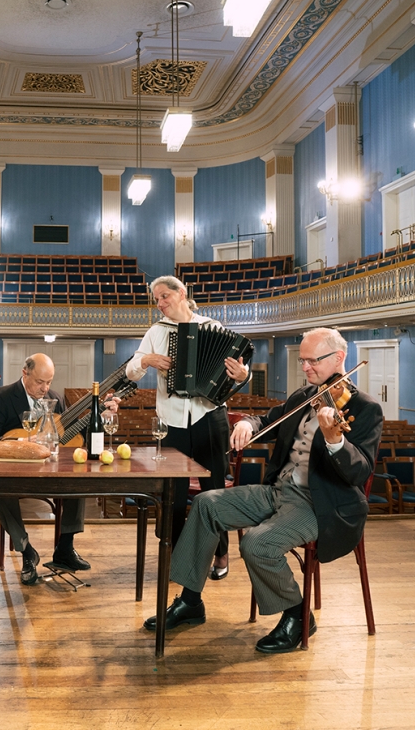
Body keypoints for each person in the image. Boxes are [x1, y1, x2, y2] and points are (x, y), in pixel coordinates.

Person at [144, 327, 383, 654]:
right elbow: (265, 420)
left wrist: (334, 440)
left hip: (321, 504)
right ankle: (190, 601)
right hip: (279, 490)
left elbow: (360, 470)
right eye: (303, 361)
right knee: (206, 503)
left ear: (339, 358)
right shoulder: (303, 396)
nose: (306, 368)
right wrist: (246, 424)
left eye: (313, 361)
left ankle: (297, 616)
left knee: (257, 542)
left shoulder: (366, 408)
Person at [125, 275, 249, 580]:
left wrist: (242, 374)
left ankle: (221, 553)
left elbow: (233, 375)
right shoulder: (156, 331)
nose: (160, 304)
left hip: (210, 419)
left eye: (164, 296)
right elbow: (131, 372)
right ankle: (177, 554)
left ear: (182, 293)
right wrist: (147, 360)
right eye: (156, 299)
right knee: (174, 494)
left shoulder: (213, 327)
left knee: (215, 491)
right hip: (172, 422)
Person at [0, 353, 91, 585]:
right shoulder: (4, 396)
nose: (45, 388)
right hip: (15, 475)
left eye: (49, 382)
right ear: (24, 373)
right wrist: (23, 443)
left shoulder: (56, 398)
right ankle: (27, 551)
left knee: (80, 478)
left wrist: (102, 416)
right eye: (40, 382)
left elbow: (74, 437)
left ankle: (65, 549)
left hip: (50, 472)